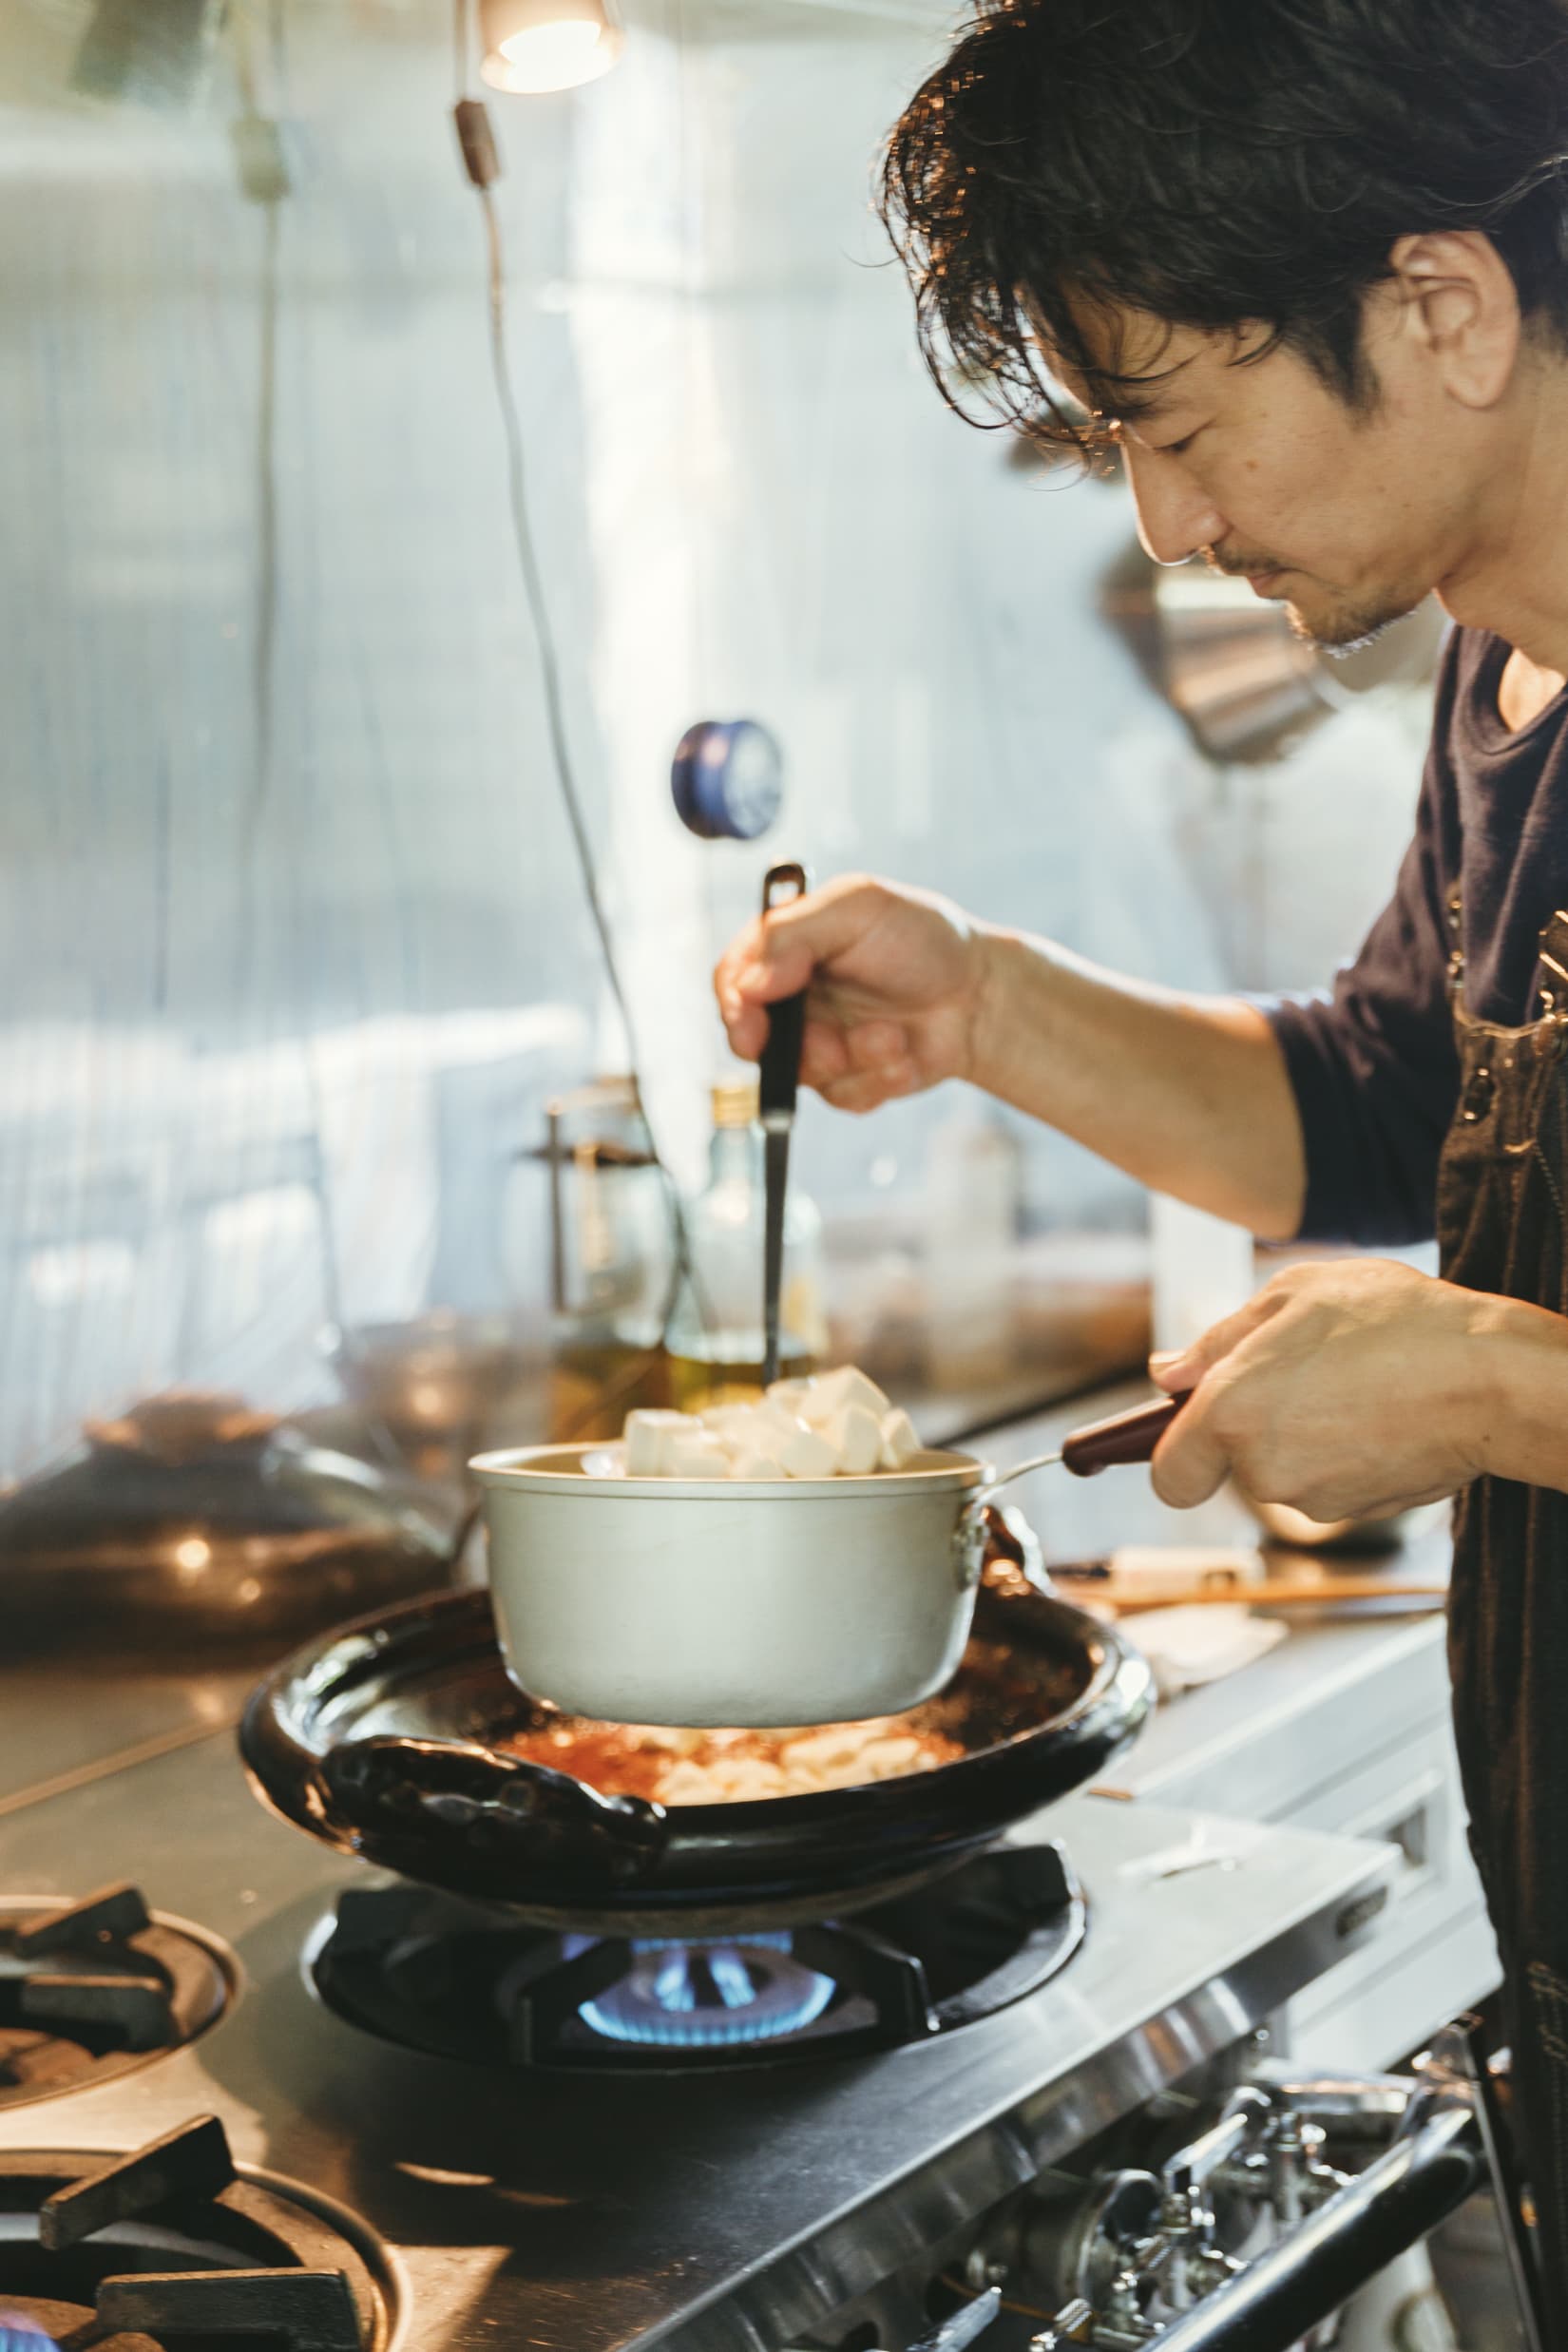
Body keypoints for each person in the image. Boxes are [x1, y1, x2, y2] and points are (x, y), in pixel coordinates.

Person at [714, 0, 1568, 2324]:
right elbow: (1389, 1098)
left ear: (1445, 309)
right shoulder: (1512, 684)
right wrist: (985, 999)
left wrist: (1495, 1387)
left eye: (1177, 429)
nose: (1171, 529)